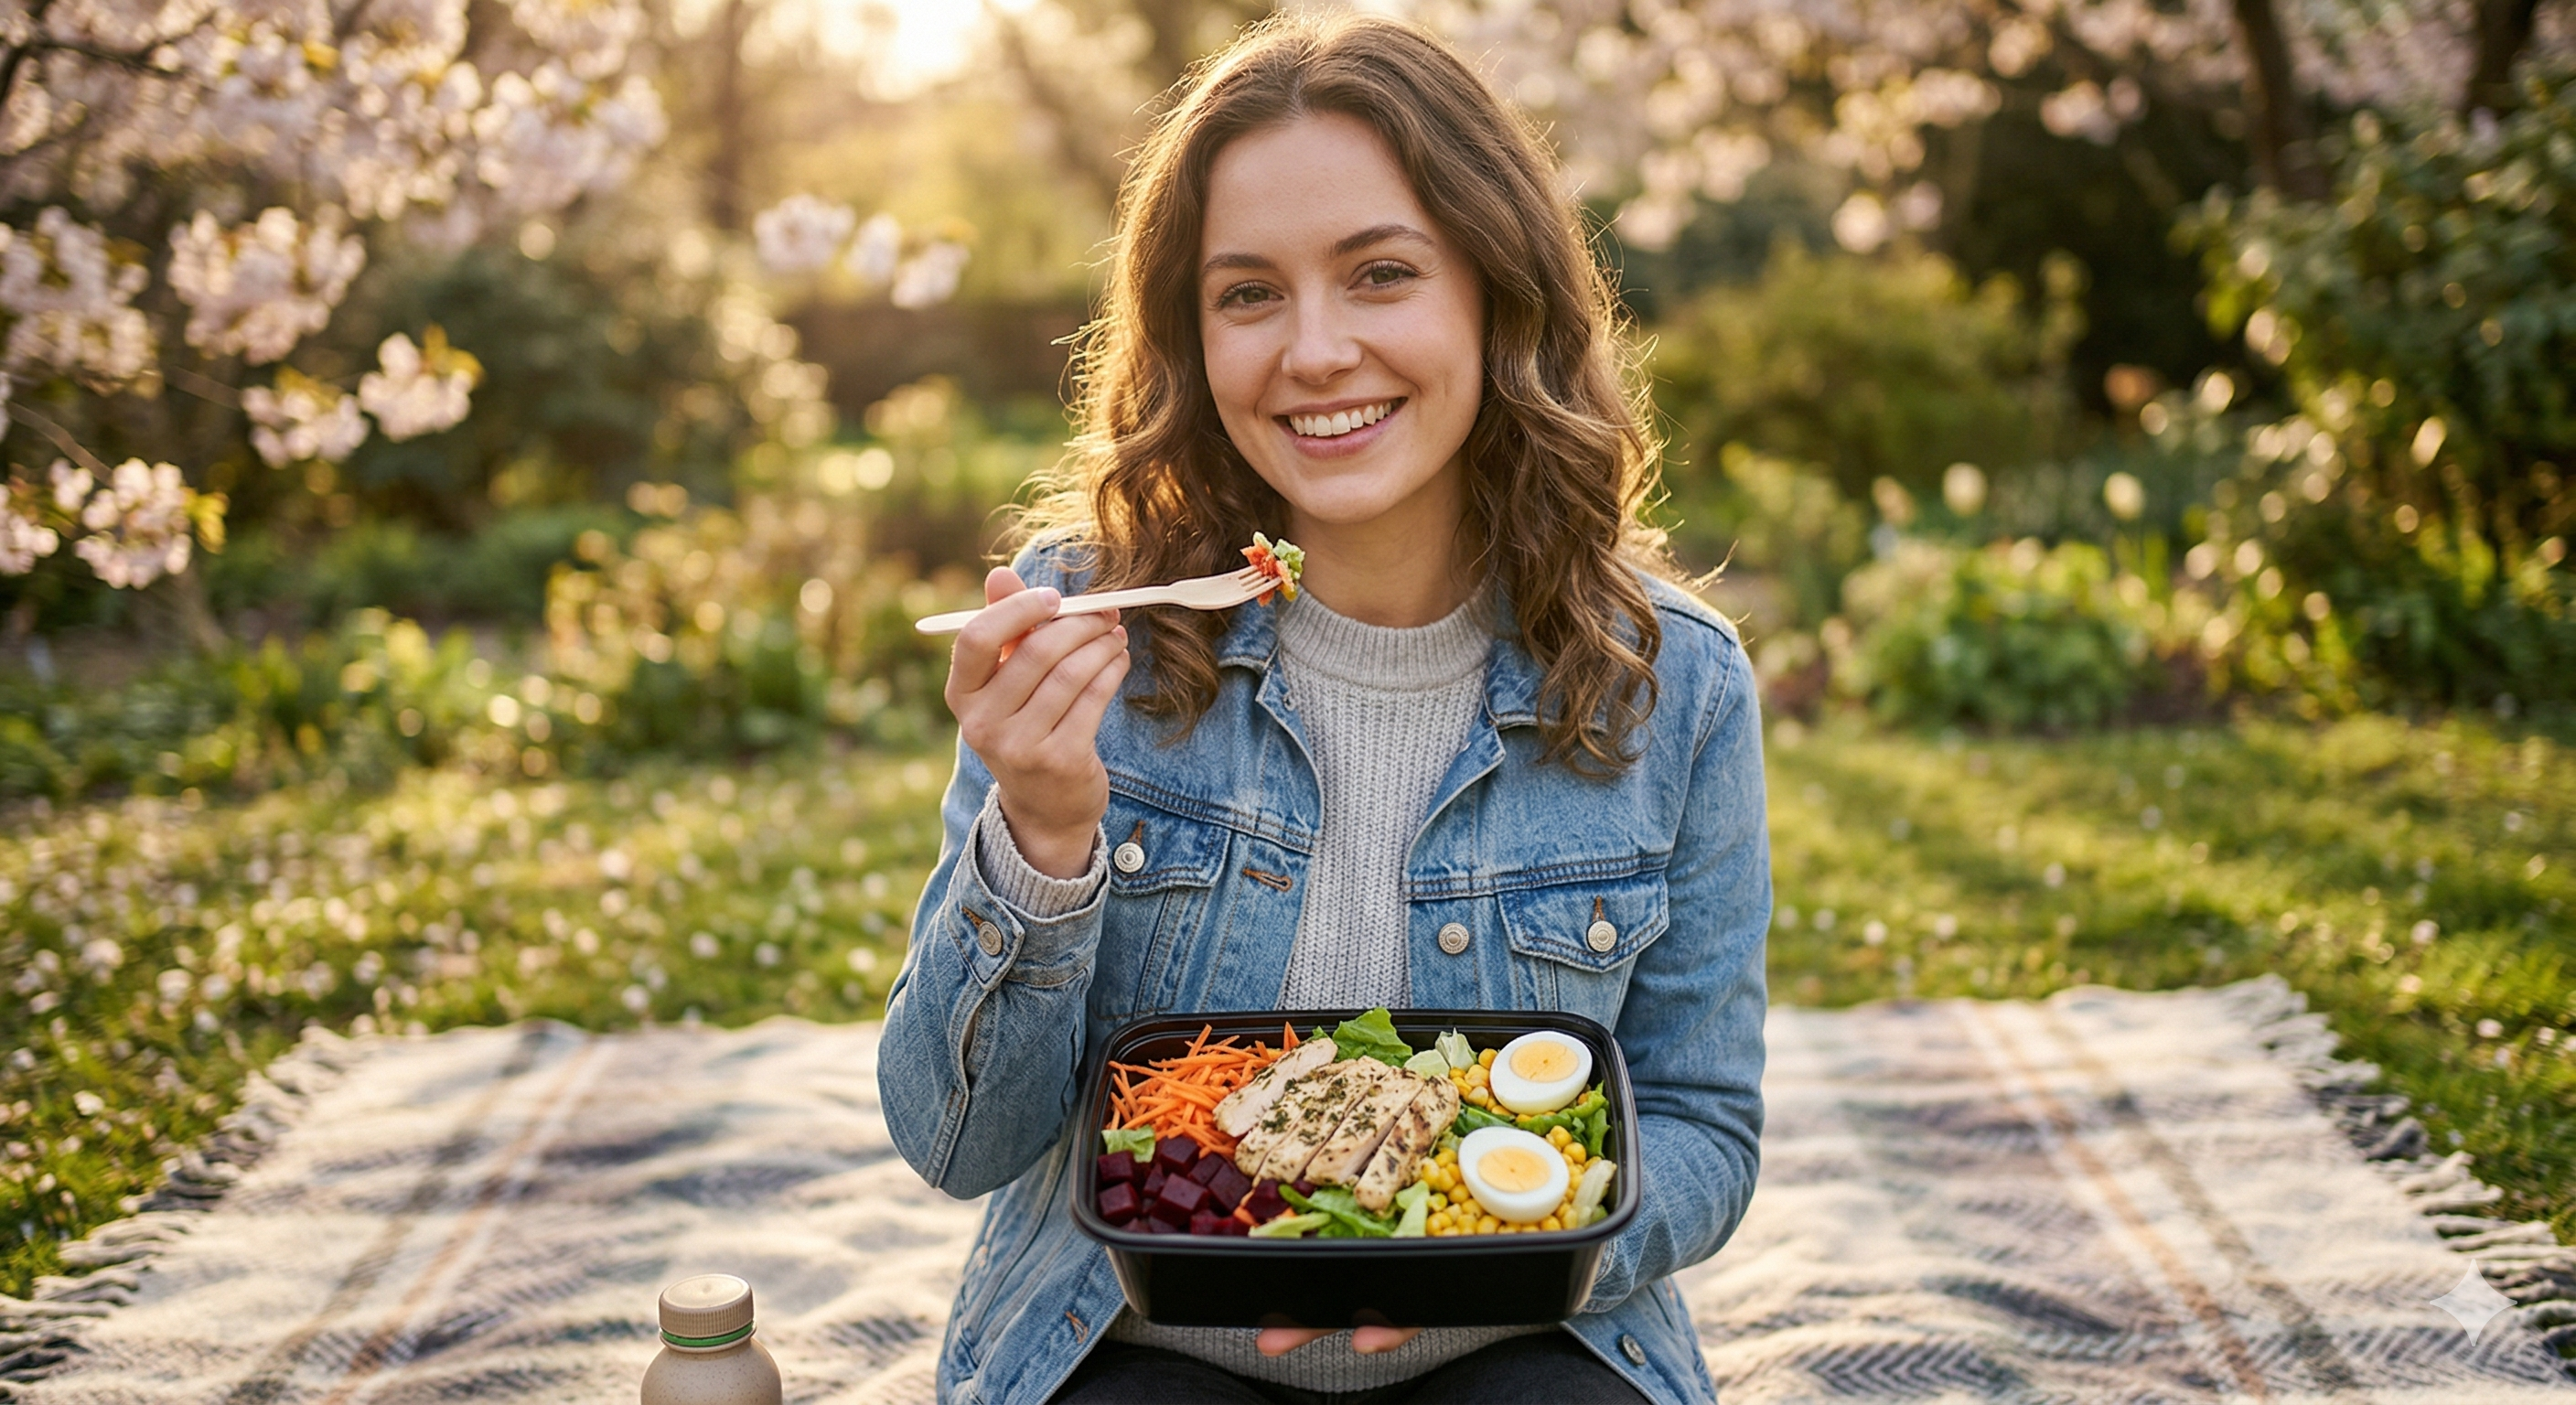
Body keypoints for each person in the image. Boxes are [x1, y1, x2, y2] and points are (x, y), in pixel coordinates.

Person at [877, 13, 1769, 1404]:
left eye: (1381, 274)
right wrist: (1042, 839)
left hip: (1522, 1336)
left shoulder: (1679, 686)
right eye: (1248, 294)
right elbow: (955, 1144)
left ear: (1497, 293)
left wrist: (1478, 1240)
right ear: (1192, 335)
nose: (1315, 350)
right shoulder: (1083, 629)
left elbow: (1705, 1124)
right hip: (1128, 1337)